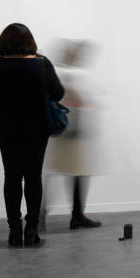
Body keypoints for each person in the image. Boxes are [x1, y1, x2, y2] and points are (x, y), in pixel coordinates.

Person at [0, 22, 64, 248]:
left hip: (8, 129)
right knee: (33, 177)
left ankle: (14, 231)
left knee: (11, 177)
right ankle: (31, 231)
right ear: (30, 42)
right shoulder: (42, 63)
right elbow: (58, 93)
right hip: (37, 129)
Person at [45, 39, 103, 230]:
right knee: (70, 173)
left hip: (72, 132)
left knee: (74, 174)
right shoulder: (60, 73)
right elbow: (66, 96)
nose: (78, 57)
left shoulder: (66, 73)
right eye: (75, 53)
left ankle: (73, 215)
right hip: (66, 132)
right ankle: (47, 214)